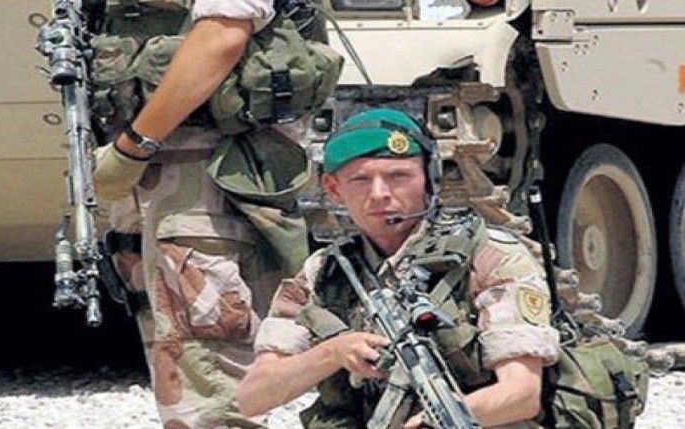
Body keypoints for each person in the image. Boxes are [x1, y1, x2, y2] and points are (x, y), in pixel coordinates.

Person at [87, 0, 339, 427]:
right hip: (150, 173)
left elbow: (223, 34)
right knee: (179, 365)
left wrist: (132, 147)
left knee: (210, 380)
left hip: (212, 170)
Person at [236, 108, 561, 428]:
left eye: (398, 177)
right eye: (360, 180)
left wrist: (428, 423)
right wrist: (333, 353)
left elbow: (521, 394)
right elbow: (253, 397)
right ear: (333, 190)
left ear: (429, 180)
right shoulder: (323, 272)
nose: (379, 194)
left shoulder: (488, 256)